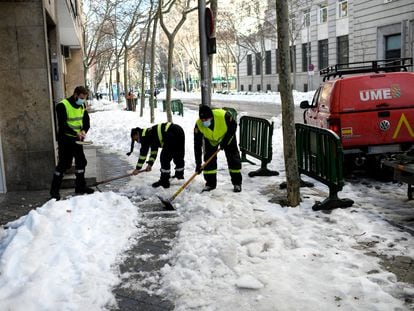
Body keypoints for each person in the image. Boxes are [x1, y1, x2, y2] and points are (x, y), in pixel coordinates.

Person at [50, 86, 94, 200]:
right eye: (81, 98)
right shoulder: (62, 105)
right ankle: (54, 191)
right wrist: (76, 134)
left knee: (81, 162)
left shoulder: (82, 105)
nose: (82, 100)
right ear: (75, 95)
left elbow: (86, 120)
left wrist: (84, 130)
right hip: (65, 140)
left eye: (84, 98)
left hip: (77, 140)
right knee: (64, 164)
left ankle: (80, 187)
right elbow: (63, 125)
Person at [194, 105, 242, 192]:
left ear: (211, 117)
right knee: (209, 159)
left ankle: (237, 183)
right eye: (202, 120)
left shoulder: (223, 116)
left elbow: (233, 126)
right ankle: (210, 184)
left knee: (233, 159)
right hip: (211, 140)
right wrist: (198, 163)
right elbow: (197, 144)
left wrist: (225, 141)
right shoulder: (198, 124)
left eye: (206, 119)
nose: (204, 122)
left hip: (227, 137)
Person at [127, 122, 185, 189]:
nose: (137, 141)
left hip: (170, 132)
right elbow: (154, 151)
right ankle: (179, 174)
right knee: (178, 153)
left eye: (135, 139)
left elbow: (143, 154)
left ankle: (164, 181)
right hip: (179, 129)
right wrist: (150, 164)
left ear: (137, 134)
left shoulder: (144, 136)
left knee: (164, 158)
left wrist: (137, 169)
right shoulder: (149, 133)